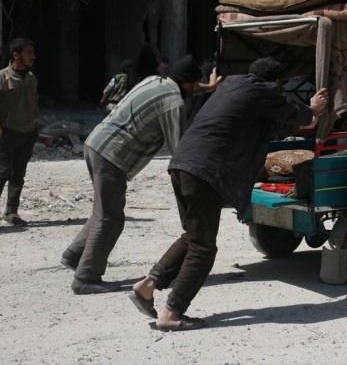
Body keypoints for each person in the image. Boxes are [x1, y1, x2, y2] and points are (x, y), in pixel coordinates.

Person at [129, 57, 328, 331]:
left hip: (182, 164)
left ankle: (147, 285)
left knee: (193, 235)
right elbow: (300, 116)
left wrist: (304, 117)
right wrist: (312, 108)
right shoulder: (264, 91)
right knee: (203, 247)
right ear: (275, 82)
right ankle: (172, 312)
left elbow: (277, 124)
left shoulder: (232, 87)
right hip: (206, 171)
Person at [61, 55, 221, 295]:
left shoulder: (154, 81)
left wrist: (209, 87)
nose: (196, 88)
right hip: (112, 156)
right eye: (195, 84)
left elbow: (188, 88)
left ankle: (74, 255)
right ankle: (86, 277)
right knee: (111, 218)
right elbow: (179, 149)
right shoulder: (174, 103)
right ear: (188, 83)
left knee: (104, 210)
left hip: (96, 144)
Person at [0, 38, 39, 231]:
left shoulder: (31, 78)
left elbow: (34, 104)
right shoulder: (0, 78)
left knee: (18, 174)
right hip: (8, 134)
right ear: (16, 55)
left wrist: (35, 126)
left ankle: (11, 212)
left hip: (28, 133)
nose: (33, 57)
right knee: (2, 174)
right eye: (29, 52)